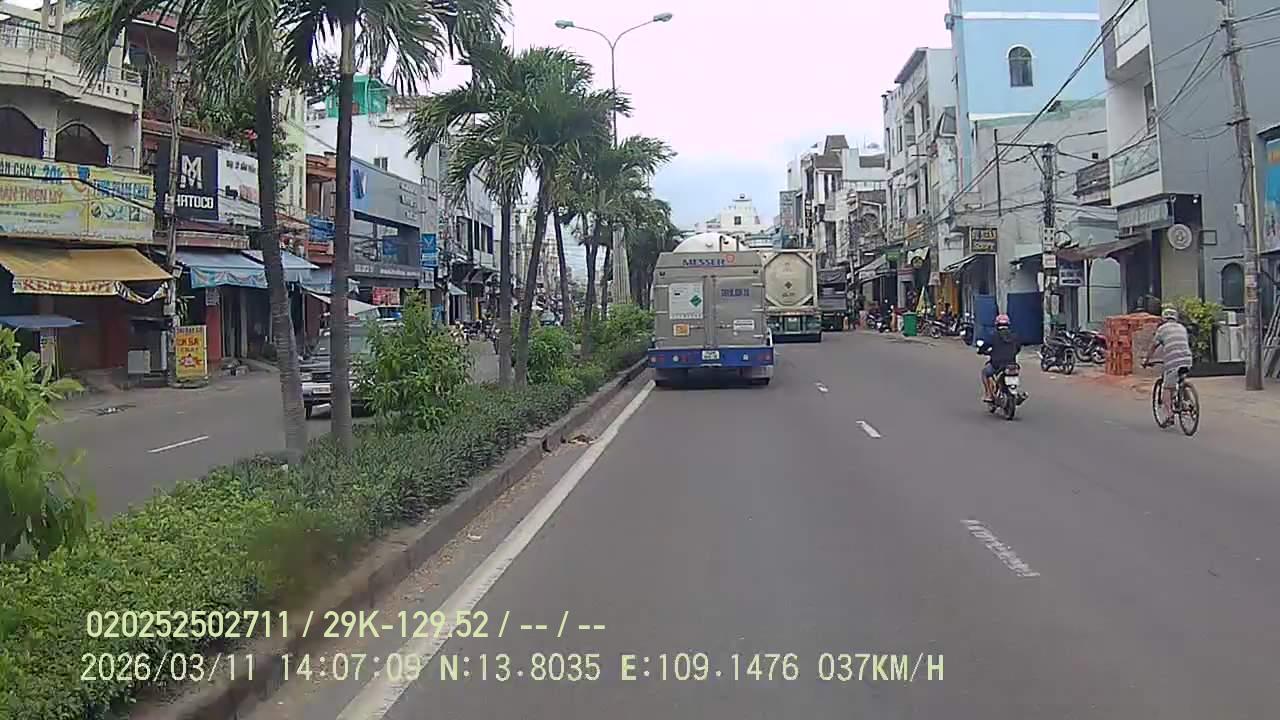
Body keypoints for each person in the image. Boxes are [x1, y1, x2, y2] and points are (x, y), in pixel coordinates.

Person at [1143, 306, 1193, 426]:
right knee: (1180, 380)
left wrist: (1146, 360)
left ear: (1163, 318)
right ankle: (1189, 402)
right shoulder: (1182, 328)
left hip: (1173, 361)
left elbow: (1153, 346)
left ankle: (1169, 415)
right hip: (1187, 359)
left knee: (1166, 388)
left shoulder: (1162, 329)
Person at [981, 314, 1021, 402]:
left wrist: (982, 350)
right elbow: (1018, 348)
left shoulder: (993, 336)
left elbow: (985, 346)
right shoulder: (1014, 336)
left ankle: (989, 394)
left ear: (997, 324)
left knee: (985, 372)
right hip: (1012, 364)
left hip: (997, 364)